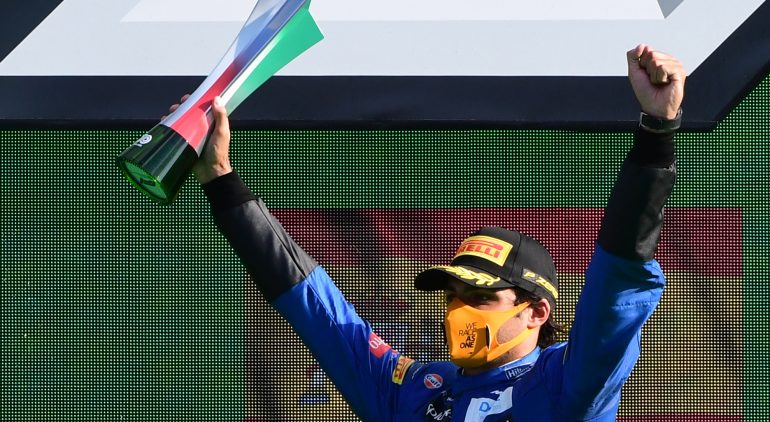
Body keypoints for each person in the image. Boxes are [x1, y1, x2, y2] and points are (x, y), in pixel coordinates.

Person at [180, 43, 685, 421]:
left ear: (537, 312)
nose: (459, 308)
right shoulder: (414, 390)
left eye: (480, 296)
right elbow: (318, 312)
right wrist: (221, 180)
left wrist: (656, 137)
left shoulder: (566, 385)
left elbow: (614, 288)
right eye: (454, 294)